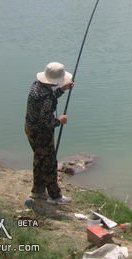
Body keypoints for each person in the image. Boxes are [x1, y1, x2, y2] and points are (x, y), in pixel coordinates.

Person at [25, 62, 74, 205]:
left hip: (30, 128)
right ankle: (55, 196)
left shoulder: (37, 86)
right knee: (49, 163)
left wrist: (62, 89)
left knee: (39, 159)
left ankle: (38, 190)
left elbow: (48, 99)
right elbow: (47, 121)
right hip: (41, 133)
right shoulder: (46, 98)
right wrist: (60, 121)